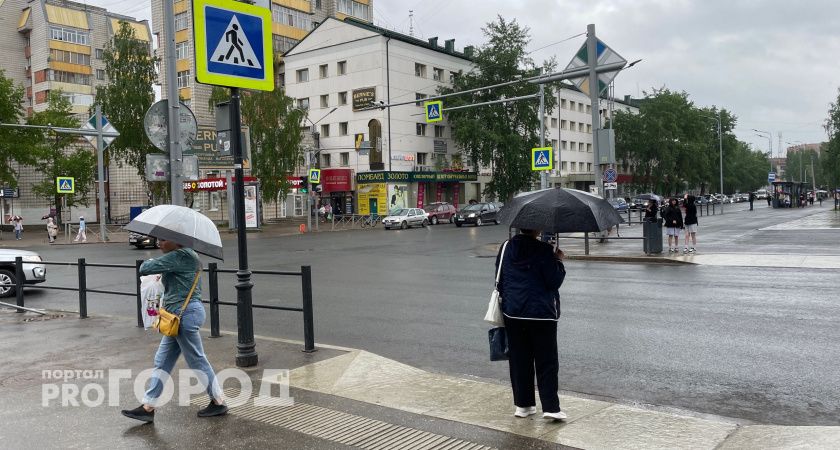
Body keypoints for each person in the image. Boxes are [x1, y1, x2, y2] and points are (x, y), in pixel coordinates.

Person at [122, 238, 227, 423]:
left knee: (196, 359)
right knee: (162, 360)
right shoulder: (183, 255)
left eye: (163, 240)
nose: (158, 243)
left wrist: (155, 262)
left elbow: (144, 268)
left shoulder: (181, 255)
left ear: (177, 241)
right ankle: (148, 406)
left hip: (184, 315)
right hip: (177, 317)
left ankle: (218, 401)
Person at [495, 228, 567, 421]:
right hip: (542, 313)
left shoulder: (506, 247)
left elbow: (499, 279)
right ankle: (551, 407)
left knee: (519, 359)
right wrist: (558, 260)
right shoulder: (544, 250)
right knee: (547, 361)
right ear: (536, 228)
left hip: (513, 312)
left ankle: (523, 405)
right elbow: (554, 281)